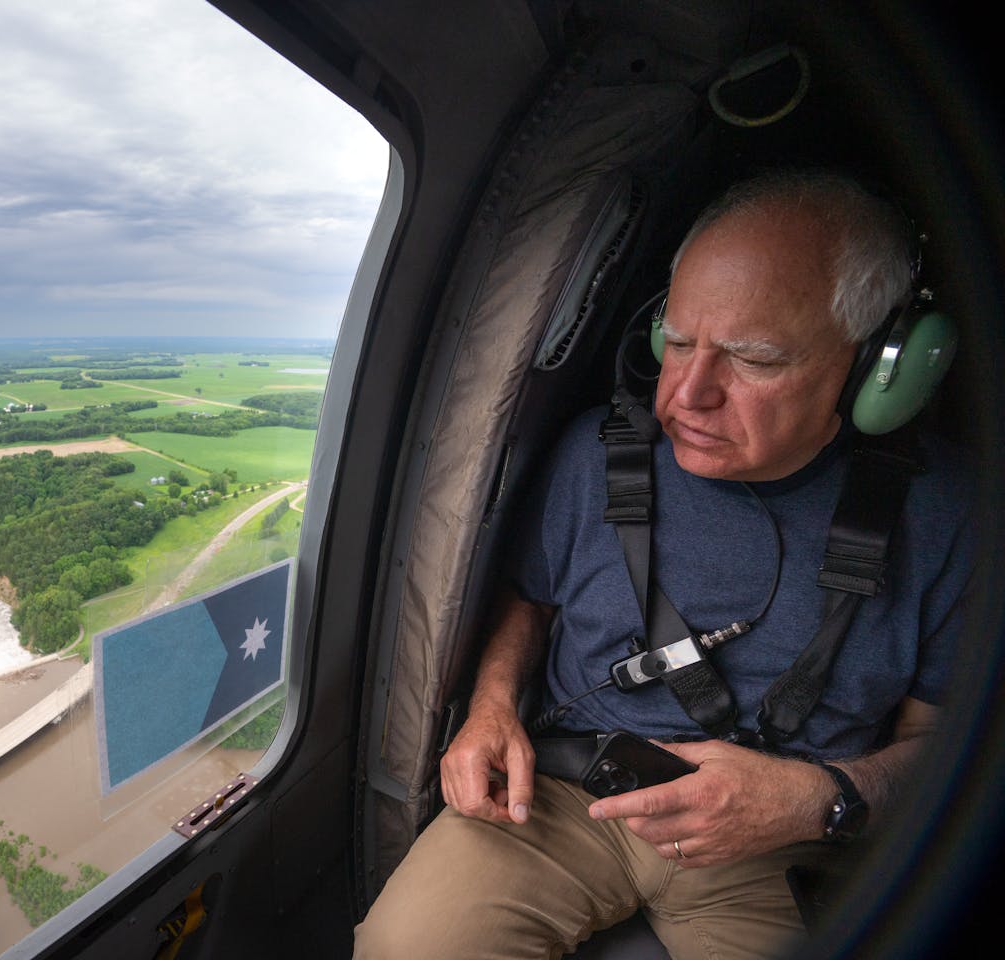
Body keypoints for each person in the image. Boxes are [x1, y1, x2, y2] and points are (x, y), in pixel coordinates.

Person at [353, 171, 974, 959]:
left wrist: (822, 800)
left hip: (781, 841)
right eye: (677, 343)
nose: (685, 396)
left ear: (878, 368)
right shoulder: (597, 454)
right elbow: (531, 599)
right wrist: (490, 706)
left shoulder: (953, 513)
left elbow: (947, 747)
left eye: (754, 359)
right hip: (566, 799)